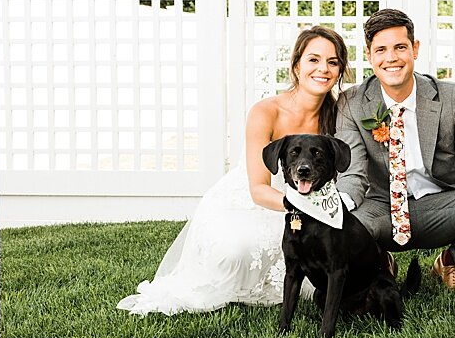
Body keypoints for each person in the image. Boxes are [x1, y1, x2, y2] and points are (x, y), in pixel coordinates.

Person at [119, 27, 362, 315]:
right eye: (313, 60)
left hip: (313, 199)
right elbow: (258, 189)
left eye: (333, 62)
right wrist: (298, 206)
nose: (323, 68)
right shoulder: (266, 111)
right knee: (235, 252)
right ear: (296, 66)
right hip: (258, 199)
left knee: (327, 262)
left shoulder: (339, 114)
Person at [335, 8, 455, 291]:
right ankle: (380, 262)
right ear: (369, 56)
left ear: (415, 49)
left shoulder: (449, 95)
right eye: (381, 49)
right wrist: (340, 206)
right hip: (381, 205)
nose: (391, 58)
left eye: (400, 47)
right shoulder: (351, 102)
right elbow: (353, 172)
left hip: (441, 203)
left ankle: (452, 261)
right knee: (347, 227)